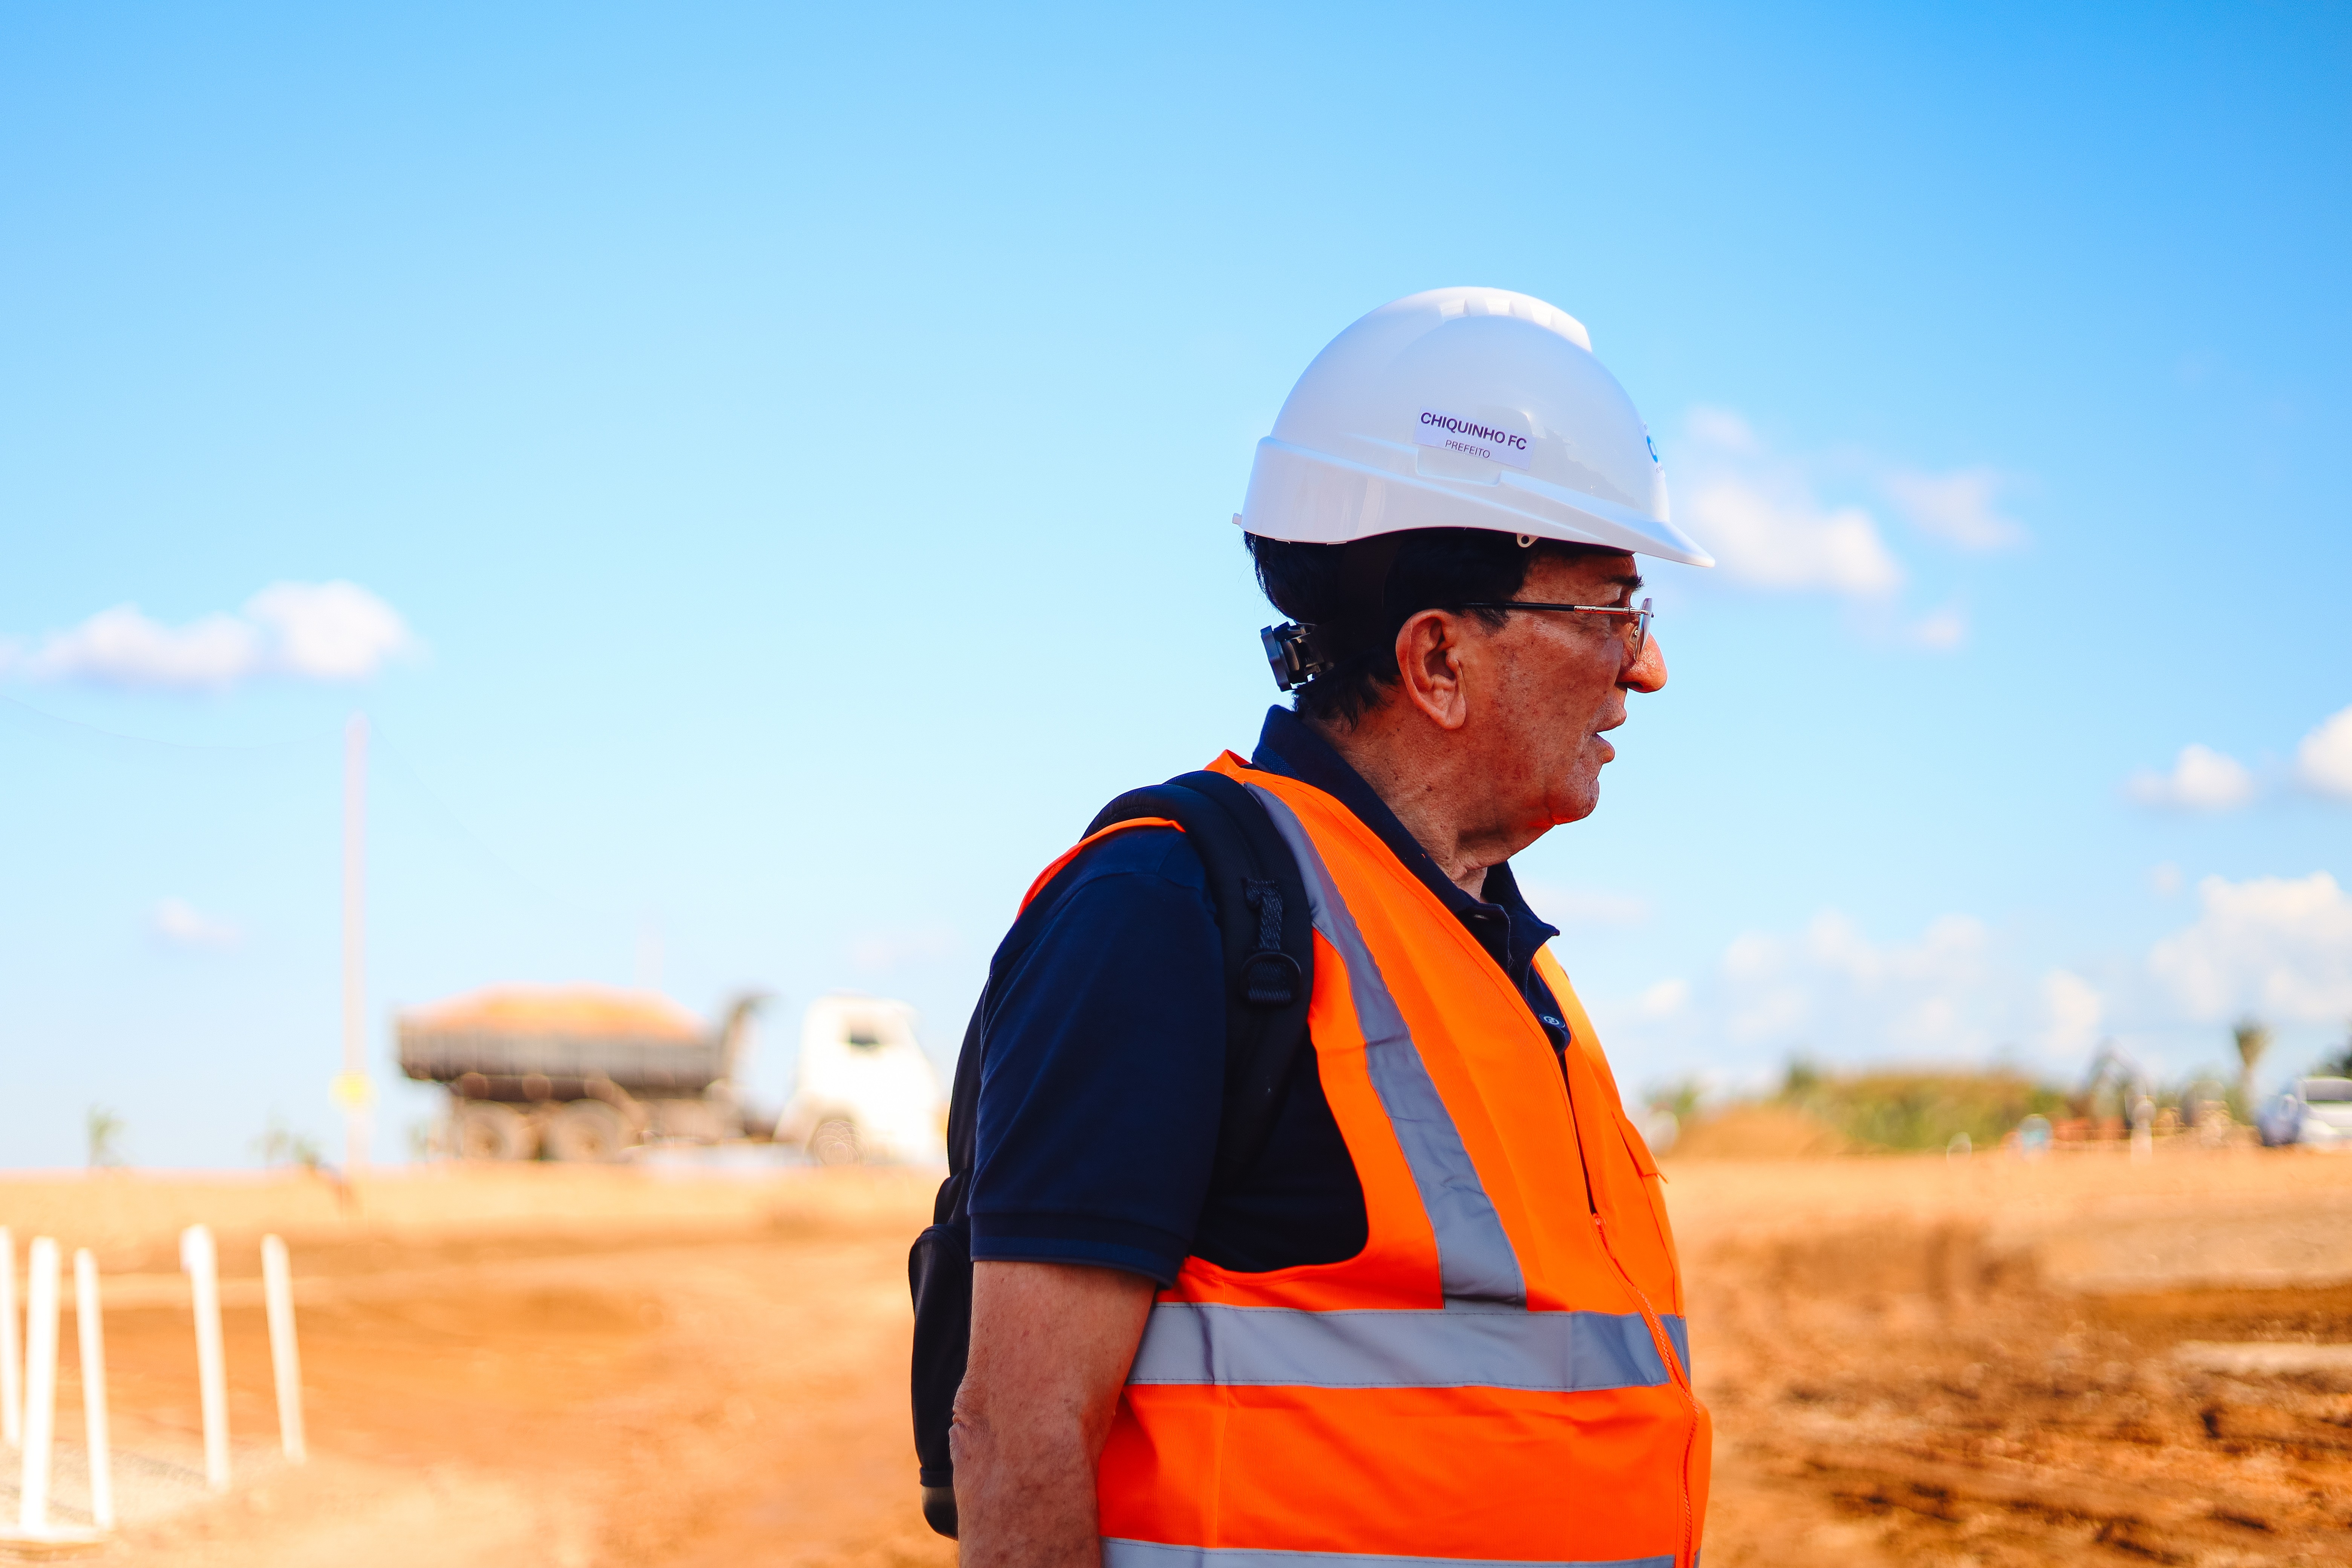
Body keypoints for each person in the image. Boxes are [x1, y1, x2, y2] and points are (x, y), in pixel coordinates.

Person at [952, 288, 1715, 1568]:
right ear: (1437, 662)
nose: (1645, 669)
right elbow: (1015, 1436)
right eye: (1610, 611)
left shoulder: (1506, 961)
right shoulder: (1166, 910)